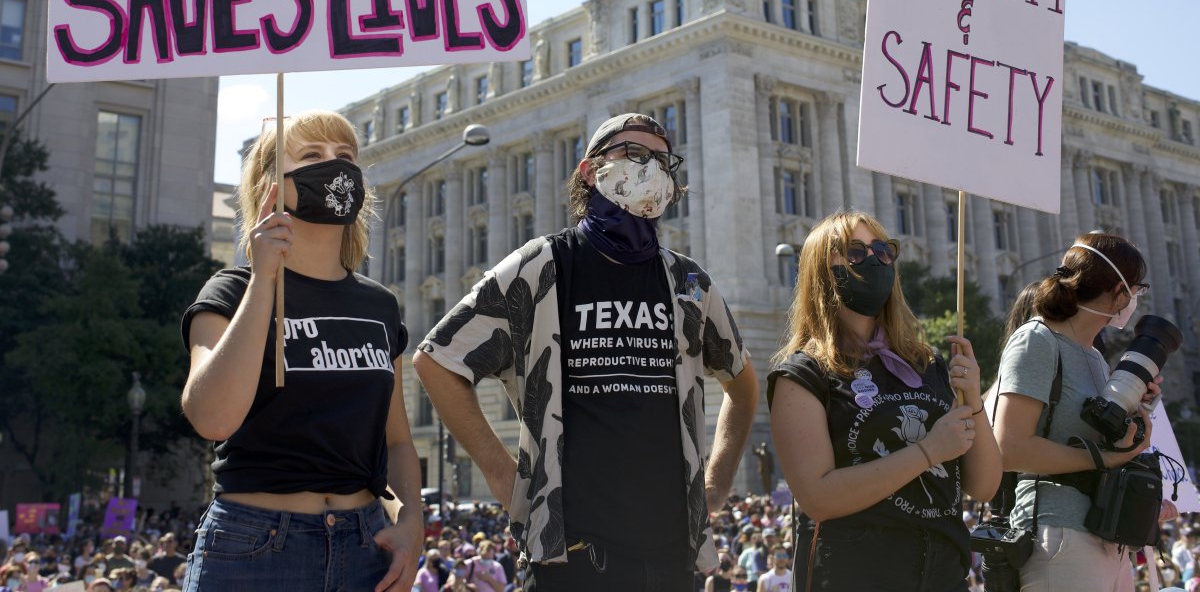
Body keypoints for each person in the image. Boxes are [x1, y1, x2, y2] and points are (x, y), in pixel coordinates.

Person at [414, 112, 759, 591]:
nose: (650, 168)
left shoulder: (688, 282)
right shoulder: (542, 265)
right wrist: (501, 476)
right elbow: (436, 360)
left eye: (662, 160)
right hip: (569, 559)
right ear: (588, 170)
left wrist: (717, 483)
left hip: (670, 558)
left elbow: (742, 385)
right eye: (632, 154)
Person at [180, 110, 423, 591]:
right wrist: (265, 280)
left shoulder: (379, 305)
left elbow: (395, 440)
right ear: (270, 184)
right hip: (255, 549)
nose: (334, 165)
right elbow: (212, 418)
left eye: (345, 156)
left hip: (365, 547)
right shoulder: (229, 292)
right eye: (312, 155)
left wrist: (413, 522)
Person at [768, 210, 1001, 592]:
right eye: (856, 252)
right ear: (822, 271)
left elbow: (984, 485)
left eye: (884, 250)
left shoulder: (927, 364)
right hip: (855, 576)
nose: (875, 260)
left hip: (944, 575)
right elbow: (818, 497)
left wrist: (974, 399)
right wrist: (927, 452)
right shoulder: (803, 375)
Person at [994, 232, 1158, 592]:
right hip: (1059, 534)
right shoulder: (1037, 339)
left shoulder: (1096, 357)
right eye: (1137, 290)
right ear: (1119, 291)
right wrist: (1104, 459)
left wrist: (1138, 412)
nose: (1135, 302)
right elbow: (1009, 449)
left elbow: (1098, 438)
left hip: (1106, 533)